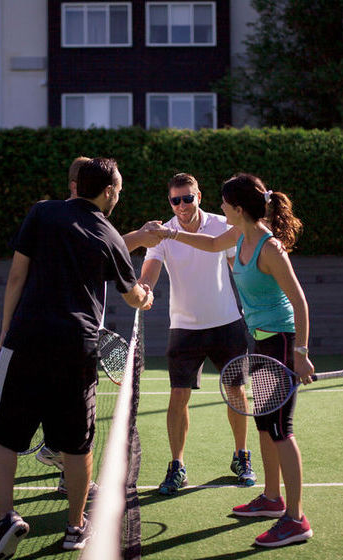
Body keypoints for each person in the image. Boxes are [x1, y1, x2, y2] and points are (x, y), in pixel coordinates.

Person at [0, 157, 154, 559]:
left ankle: (5, 518)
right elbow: (134, 295)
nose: (119, 195)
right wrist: (146, 297)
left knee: (1, 435)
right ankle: (76, 528)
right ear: (108, 190)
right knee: (77, 447)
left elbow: (16, 276)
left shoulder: (42, 212)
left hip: (27, 339)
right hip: (77, 348)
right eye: (119, 189)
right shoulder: (109, 234)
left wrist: (7, 328)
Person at [150, 173, 316, 547]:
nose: (219, 208)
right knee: (263, 424)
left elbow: (300, 302)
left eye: (224, 203)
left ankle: (296, 518)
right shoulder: (237, 235)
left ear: (238, 209)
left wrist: (302, 354)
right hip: (258, 340)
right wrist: (171, 234)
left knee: (280, 431)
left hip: (281, 342)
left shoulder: (270, 249)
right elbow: (208, 245)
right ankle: (271, 500)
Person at [35, 156, 159, 498]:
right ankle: (73, 507)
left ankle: (61, 461)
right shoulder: (63, 219)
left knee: (65, 413)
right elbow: (108, 248)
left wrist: (140, 236)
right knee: (77, 422)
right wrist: (142, 296)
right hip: (73, 338)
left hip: (54, 333)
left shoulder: (51, 218)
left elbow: (108, 250)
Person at [138, 173, 254, 496]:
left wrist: (255, 306)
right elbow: (148, 274)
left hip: (227, 324)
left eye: (187, 198)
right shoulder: (162, 234)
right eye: (176, 200)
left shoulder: (221, 225)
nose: (182, 205)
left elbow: (237, 268)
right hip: (184, 328)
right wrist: (144, 291)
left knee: (236, 392)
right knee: (178, 398)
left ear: (198, 197)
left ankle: (241, 456)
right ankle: (177, 466)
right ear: (170, 202)